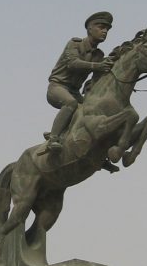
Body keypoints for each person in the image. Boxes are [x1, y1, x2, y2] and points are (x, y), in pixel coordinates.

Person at [44, 11, 115, 158]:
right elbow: (73, 63)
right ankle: (53, 138)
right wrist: (98, 66)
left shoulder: (99, 55)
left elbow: (97, 77)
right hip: (58, 87)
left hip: (76, 91)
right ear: (89, 28)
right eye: (101, 27)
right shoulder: (74, 44)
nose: (104, 31)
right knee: (70, 104)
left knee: (93, 112)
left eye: (107, 29)